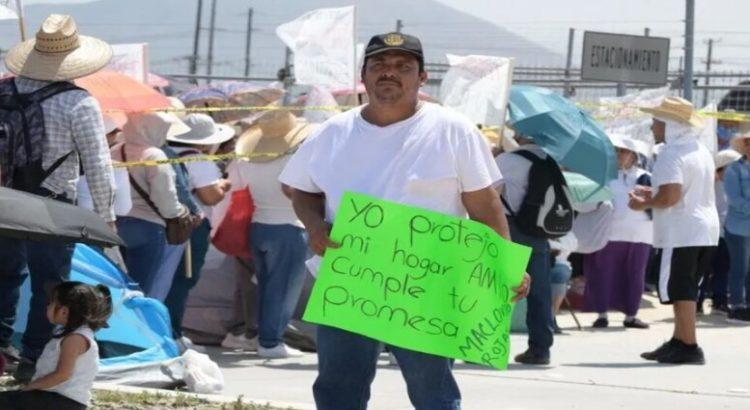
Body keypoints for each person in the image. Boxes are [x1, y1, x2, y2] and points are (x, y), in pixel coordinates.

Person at [279, 32, 530, 409]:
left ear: (422, 77)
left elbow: (484, 206)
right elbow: (300, 191)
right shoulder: (331, 132)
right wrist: (315, 226)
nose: (389, 74)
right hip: (350, 282)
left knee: (434, 393)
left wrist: (505, 265)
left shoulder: (452, 129)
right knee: (338, 390)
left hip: (427, 287)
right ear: (363, 76)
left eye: (402, 67)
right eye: (378, 65)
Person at [0, 14, 115, 382]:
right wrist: (105, 215)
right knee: (51, 285)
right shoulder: (78, 102)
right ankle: (34, 356)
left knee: (4, 277)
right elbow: (97, 163)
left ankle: (1, 349)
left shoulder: (3, 91)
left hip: (3, 200)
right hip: (51, 205)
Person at [630, 97, 720, 364]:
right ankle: (680, 340)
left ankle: (689, 345)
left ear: (670, 124)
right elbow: (682, 190)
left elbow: (670, 197)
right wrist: (654, 193)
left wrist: (643, 202)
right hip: (705, 228)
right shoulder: (700, 150)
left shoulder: (671, 153)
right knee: (687, 288)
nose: (652, 127)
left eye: (657, 121)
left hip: (681, 231)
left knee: (679, 290)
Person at [229, 109, 316, 358]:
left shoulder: (248, 160)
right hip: (289, 227)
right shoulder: (294, 160)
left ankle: (264, 336)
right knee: (284, 288)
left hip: (259, 226)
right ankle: (271, 342)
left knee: (267, 286)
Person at [497, 133, 569, 365]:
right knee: (540, 293)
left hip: (508, 230)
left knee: (498, 290)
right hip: (538, 233)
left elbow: (491, 194)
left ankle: (490, 345)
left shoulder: (507, 160)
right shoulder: (549, 161)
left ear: (520, 135)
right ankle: (540, 349)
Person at [164, 113, 234, 344]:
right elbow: (210, 196)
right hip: (191, 226)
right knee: (183, 280)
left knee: (164, 279)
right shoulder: (199, 160)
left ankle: (165, 329)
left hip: (164, 224)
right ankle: (173, 332)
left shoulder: (164, 153)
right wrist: (222, 185)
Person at [110, 113, 190, 297]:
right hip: (148, 228)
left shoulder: (114, 150)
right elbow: (165, 198)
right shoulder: (154, 155)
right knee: (139, 290)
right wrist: (180, 212)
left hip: (115, 225)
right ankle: (134, 324)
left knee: (113, 285)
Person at [0, 281, 113, 410]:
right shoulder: (71, 335)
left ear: (64, 312)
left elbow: (62, 374)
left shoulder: (75, 339)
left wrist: (31, 386)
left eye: (51, 303)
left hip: (62, 401)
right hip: (54, 397)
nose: (47, 307)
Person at [583, 133, 653, 329]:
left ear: (634, 155)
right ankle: (602, 314)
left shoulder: (646, 177)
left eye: (623, 151)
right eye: (616, 151)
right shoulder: (603, 175)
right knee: (602, 273)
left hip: (640, 234)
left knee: (635, 274)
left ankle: (631, 315)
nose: (619, 155)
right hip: (609, 232)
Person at [698, 149, 741, 315]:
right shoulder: (708, 184)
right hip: (710, 233)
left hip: (728, 233)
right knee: (704, 269)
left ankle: (719, 301)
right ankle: (697, 301)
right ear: (721, 168)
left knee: (723, 269)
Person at [723, 129, 750, 323]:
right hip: (738, 226)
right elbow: (734, 198)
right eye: (747, 142)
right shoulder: (734, 168)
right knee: (740, 267)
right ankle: (737, 306)